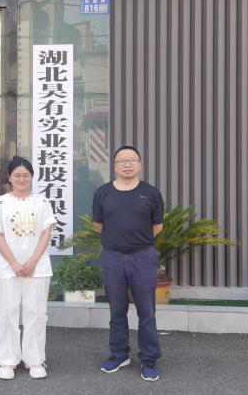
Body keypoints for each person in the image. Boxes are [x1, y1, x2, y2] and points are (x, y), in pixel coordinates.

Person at [92, 145, 164, 382]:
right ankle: (119, 354)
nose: (127, 164)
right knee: (117, 309)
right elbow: (98, 224)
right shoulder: (103, 193)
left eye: (132, 160)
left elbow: (158, 225)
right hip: (112, 257)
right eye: (122, 160)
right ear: (115, 166)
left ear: (140, 164)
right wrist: (119, 242)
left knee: (147, 311)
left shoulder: (151, 193)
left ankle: (149, 359)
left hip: (143, 257)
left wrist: (137, 242)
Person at [0, 156, 57, 380]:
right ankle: (7, 361)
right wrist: (14, 263)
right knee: (7, 313)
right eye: (17, 175)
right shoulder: (0, 202)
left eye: (26, 175)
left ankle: (34, 360)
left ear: (32, 177)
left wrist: (33, 261)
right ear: (9, 177)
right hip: (8, 268)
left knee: (36, 313)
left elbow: (46, 233)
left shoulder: (42, 202)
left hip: (37, 268)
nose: (21, 179)